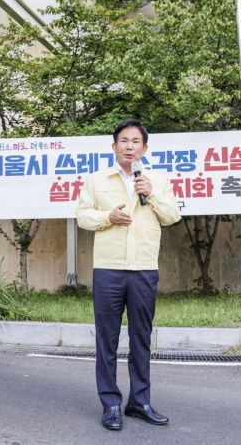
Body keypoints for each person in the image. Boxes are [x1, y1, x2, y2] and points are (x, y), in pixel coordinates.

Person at [76, 118, 181, 431]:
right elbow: (82, 216)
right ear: (114, 146)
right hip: (109, 267)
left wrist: (153, 193)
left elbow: (172, 215)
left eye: (135, 141)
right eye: (123, 140)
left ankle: (140, 402)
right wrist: (107, 216)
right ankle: (110, 403)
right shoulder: (96, 179)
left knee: (141, 338)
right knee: (106, 338)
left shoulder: (156, 181)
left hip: (144, 268)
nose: (129, 146)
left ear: (145, 148)